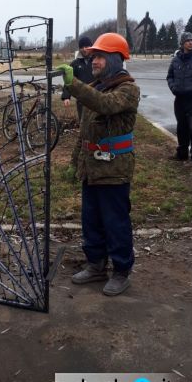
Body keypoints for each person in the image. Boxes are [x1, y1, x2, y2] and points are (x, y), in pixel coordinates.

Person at [57, 33, 140, 296]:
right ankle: (96, 265)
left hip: (114, 170)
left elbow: (105, 105)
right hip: (91, 169)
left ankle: (121, 272)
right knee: (91, 220)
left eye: (100, 56)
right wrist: (74, 163)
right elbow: (85, 133)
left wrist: (75, 85)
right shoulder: (97, 87)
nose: (94, 61)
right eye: (92, 56)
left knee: (115, 222)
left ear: (116, 59)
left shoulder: (127, 90)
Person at [166, 32, 192, 166]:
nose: (190, 42)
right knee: (181, 128)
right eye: (187, 40)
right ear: (182, 43)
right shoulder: (176, 59)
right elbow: (169, 76)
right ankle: (181, 154)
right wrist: (173, 88)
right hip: (179, 101)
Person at [61, 36, 94, 121]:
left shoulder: (97, 61)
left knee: (96, 123)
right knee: (83, 122)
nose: (84, 49)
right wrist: (66, 97)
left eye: (87, 46)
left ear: (91, 47)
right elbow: (69, 80)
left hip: (96, 97)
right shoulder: (75, 64)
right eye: (82, 47)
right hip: (81, 99)